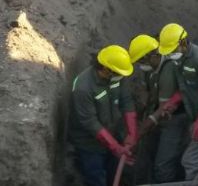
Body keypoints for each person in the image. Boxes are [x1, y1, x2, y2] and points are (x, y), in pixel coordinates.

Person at [157, 23, 198, 181]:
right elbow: (186, 87)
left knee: (190, 161)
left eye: (172, 51)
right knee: (189, 152)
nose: (170, 55)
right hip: (194, 113)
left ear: (183, 43)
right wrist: (172, 102)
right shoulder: (180, 60)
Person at [68, 45, 138, 186]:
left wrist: (132, 132)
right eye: (119, 74)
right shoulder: (83, 87)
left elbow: (127, 101)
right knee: (96, 178)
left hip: (112, 134)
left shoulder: (118, 76)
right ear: (106, 69)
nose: (122, 77)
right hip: (89, 143)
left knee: (113, 173)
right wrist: (116, 148)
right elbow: (90, 122)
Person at [126, 34, 164, 184]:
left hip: (173, 118)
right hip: (154, 116)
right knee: (145, 154)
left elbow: (168, 103)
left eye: (142, 60)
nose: (141, 65)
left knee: (163, 163)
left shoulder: (169, 68)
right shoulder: (149, 68)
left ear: (151, 55)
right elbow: (145, 92)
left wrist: (142, 128)